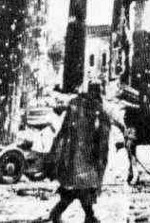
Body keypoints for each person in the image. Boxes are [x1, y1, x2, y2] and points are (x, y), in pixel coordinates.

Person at [47, 82, 111, 223]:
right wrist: (100, 158)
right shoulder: (97, 109)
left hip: (73, 155)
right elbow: (101, 136)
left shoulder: (76, 104)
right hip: (86, 156)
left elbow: (64, 130)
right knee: (82, 188)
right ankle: (87, 216)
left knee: (77, 188)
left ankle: (69, 214)